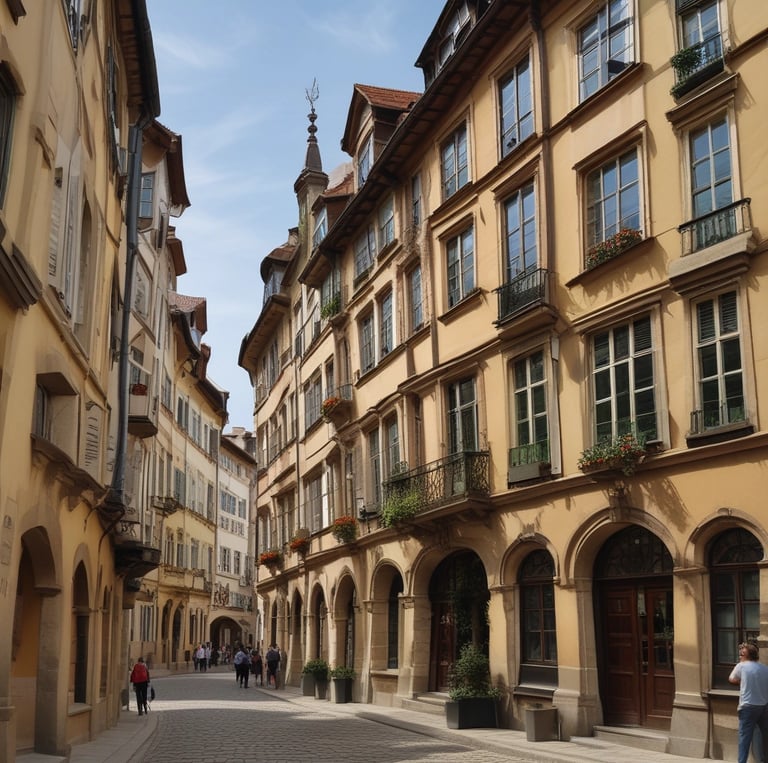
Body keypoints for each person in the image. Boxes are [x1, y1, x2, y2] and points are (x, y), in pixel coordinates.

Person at [729, 641, 768, 763]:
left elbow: (731, 679)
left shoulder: (741, 666)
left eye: (741, 654)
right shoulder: (765, 668)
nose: (740, 656)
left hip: (748, 706)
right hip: (763, 706)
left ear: (746, 655)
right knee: (763, 736)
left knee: (744, 738)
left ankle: (742, 761)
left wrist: (743, 682)